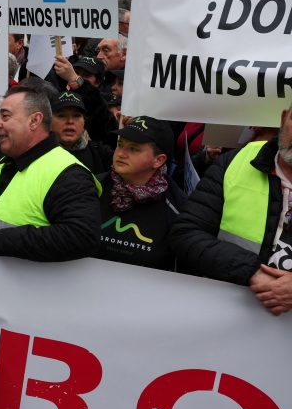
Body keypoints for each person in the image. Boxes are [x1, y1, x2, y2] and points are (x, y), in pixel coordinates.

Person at [170, 102, 292, 314]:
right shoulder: (236, 161)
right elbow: (186, 234)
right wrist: (252, 271)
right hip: (226, 313)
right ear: (283, 119)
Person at [0, 82, 102, 262]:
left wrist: (3, 241)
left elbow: (82, 236)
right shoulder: (5, 163)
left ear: (35, 120)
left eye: (5, 116)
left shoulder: (68, 173)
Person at [97, 116, 187, 270]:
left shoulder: (178, 206)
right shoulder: (93, 187)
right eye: (120, 144)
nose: (121, 153)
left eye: (133, 148)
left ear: (158, 160)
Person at [49, 91, 113, 174]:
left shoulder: (100, 152)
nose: (70, 121)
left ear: (84, 121)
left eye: (76, 115)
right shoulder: (39, 152)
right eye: (62, 115)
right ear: (49, 121)